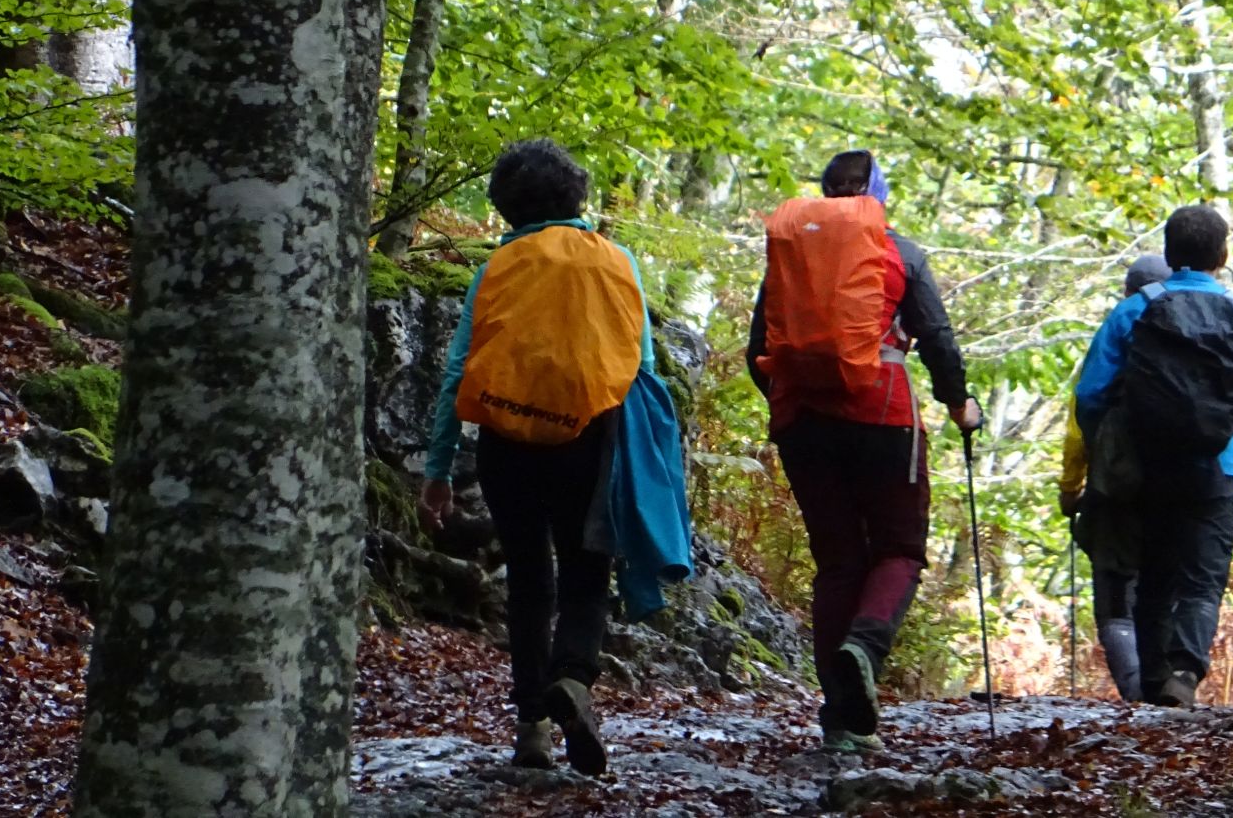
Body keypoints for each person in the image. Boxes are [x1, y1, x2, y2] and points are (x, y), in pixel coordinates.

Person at [418, 140, 692, 773]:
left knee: (528, 579)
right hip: (590, 441)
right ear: (577, 194)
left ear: (506, 206)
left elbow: (459, 370)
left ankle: (532, 729)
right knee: (586, 572)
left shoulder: (499, 265)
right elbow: (643, 368)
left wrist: (438, 470)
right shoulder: (618, 262)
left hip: (506, 442)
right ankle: (572, 676)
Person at [747, 149, 982, 754]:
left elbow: (757, 349)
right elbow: (937, 339)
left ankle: (840, 719)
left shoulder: (792, 253)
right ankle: (866, 647)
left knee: (838, 562)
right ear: (877, 193)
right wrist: (960, 405)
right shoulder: (901, 252)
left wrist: (795, 404)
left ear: (826, 191)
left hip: (803, 421)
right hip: (883, 413)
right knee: (899, 548)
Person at [1073, 205, 1233, 707]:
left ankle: (1153, 683)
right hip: (1217, 466)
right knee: (1202, 580)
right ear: (1223, 255)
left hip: (1145, 466)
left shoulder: (1134, 310)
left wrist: (1104, 443)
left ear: (1169, 255)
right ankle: (1184, 672)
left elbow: (1089, 393)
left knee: (1153, 575)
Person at [1058, 253, 1171, 702]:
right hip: (1187, 485)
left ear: (1128, 291)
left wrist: (1071, 488)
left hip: (1116, 484)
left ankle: (1137, 693)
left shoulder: (1119, 328)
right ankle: (1170, 687)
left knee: (1116, 597)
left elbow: (1082, 413)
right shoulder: (1198, 334)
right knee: (1167, 587)